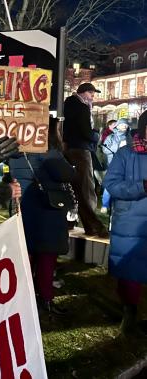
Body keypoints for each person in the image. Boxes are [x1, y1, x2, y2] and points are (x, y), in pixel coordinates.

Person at [9, 118, 75, 315]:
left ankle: (23, 302)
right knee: (46, 257)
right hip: (47, 211)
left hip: (24, 208)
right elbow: (67, 174)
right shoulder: (48, 152)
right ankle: (45, 299)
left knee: (27, 257)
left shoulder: (15, 151)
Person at [103, 110, 147, 337]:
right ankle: (129, 314)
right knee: (130, 273)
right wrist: (141, 187)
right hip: (130, 223)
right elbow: (112, 184)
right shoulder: (125, 154)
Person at [62, 82, 108, 237]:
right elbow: (86, 132)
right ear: (83, 93)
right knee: (86, 188)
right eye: (91, 93)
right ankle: (92, 225)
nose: (92, 97)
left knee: (72, 188)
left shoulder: (67, 104)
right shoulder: (82, 107)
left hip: (68, 149)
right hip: (81, 150)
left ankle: (70, 220)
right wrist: (96, 135)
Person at [100, 118, 131, 213]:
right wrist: (117, 147)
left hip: (126, 164)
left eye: (126, 125)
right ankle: (105, 204)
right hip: (112, 164)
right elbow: (104, 149)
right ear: (117, 125)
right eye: (122, 125)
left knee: (124, 185)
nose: (124, 127)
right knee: (110, 184)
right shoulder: (111, 137)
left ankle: (120, 204)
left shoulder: (129, 138)